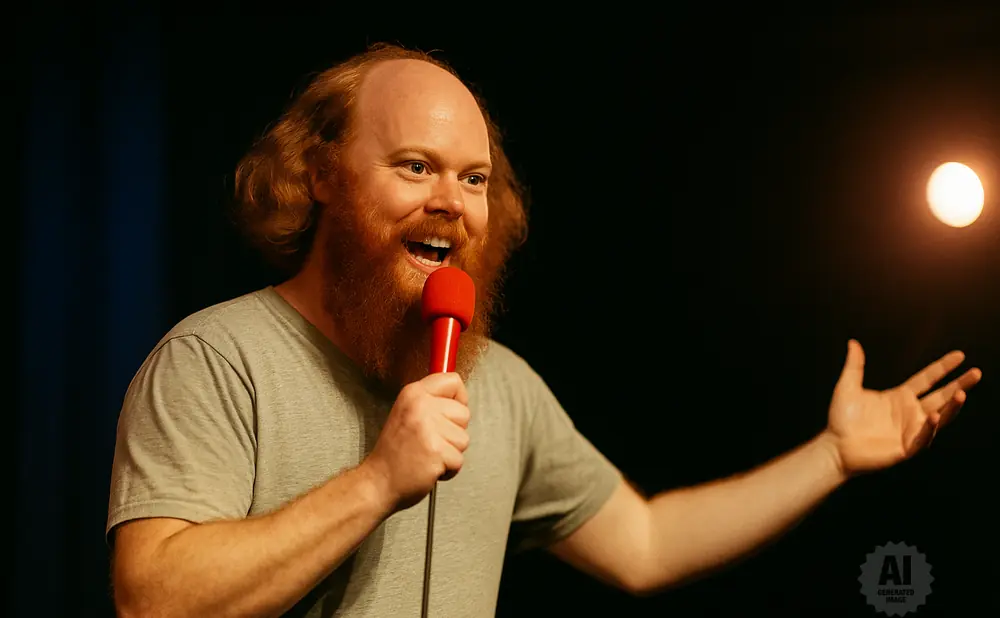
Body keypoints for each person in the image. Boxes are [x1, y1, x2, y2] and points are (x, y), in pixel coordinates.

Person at [106, 44, 983, 618]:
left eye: (475, 177)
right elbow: (152, 601)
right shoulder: (218, 359)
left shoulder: (500, 384)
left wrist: (829, 457)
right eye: (415, 166)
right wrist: (376, 482)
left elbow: (644, 545)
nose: (452, 201)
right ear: (323, 175)